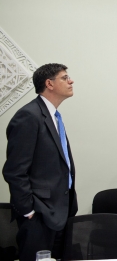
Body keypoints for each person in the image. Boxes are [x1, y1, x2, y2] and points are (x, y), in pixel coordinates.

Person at [2, 63, 77, 261]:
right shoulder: (29, 115)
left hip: (61, 211)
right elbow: (14, 170)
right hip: (39, 215)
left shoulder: (54, 116)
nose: (71, 81)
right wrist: (28, 210)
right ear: (49, 84)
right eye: (64, 77)